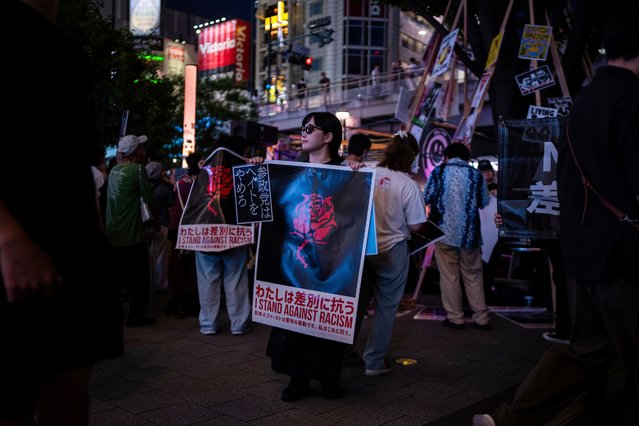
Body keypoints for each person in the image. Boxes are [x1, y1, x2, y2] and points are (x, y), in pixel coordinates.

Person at [474, 4, 639, 424]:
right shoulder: (632, 100)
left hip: (581, 250)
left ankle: (510, 419)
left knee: (584, 349)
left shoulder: (580, 102)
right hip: (624, 254)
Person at [1, 1, 122, 424]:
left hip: (74, 252)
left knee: (70, 398)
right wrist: (8, 236)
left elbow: (78, 167)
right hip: (14, 248)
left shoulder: (68, 51)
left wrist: (96, 246)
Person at [265, 112, 352, 401]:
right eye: (302, 128)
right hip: (294, 268)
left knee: (328, 324)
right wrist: (258, 172)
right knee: (296, 324)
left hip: (332, 267)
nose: (302, 133)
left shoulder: (348, 175)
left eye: (309, 128)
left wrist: (358, 173)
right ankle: (297, 379)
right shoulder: (289, 172)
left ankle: (329, 379)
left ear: (328, 137)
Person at [361, 131, 427, 376]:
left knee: (356, 304)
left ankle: (342, 353)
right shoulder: (408, 185)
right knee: (386, 308)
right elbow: (417, 225)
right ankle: (373, 362)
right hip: (393, 250)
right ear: (411, 157)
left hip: (363, 247)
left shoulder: (369, 173)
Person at [423, 142, 491, 330]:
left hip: (444, 233)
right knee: (473, 275)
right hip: (470, 235)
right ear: (466, 157)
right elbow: (483, 202)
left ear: (447, 156)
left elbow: (426, 196)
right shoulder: (476, 174)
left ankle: (455, 317)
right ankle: (481, 317)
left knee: (449, 276)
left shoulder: (439, 172)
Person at [106, 134, 158, 327]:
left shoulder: (113, 171)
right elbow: (149, 200)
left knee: (118, 279)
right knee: (139, 279)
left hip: (113, 233)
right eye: (142, 147)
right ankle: (136, 317)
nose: (144, 150)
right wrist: (157, 220)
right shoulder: (138, 170)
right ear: (136, 151)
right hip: (132, 235)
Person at [166, 152, 202, 318]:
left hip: (178, 228)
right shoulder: (204, 182)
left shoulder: (181, 183)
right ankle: (194, 302)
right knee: (195, 269)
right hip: (197, 229)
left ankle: (178, 300)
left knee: (178, 267)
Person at [145, 162, 175, 294]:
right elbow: (171, 209)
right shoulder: (165, 189)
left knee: (147, 254)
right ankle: (161, 283)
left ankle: (148, 282)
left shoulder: (142, 187)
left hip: (145, 224)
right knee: (161, 255)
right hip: (162, 224)